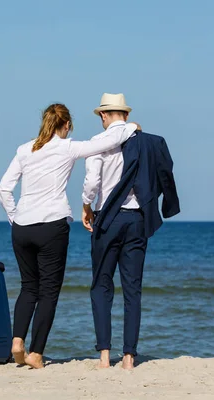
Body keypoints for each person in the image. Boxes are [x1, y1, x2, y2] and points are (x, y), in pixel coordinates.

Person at [0, 103, 140, 369]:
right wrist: (131, 126)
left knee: (29, 287)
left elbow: (4, 188)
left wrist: (15, 217)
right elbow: (107, 141)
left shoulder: (24, 150)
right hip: (51, 224)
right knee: (49, 291)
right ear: (66, 126)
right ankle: (36, 354)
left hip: (22, 226)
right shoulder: (67, 147)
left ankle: (17, 341)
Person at [81, 93, 180, 369]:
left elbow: (91, 182)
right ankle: (128, 357)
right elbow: (164, 173)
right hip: (137, 218)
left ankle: (103, 356)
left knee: (101, 285)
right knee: (132, 289)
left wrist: (86, 205)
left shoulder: (98, 143)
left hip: (108, 219)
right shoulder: (147, 142)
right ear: (125, 114)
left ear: (103, 115)